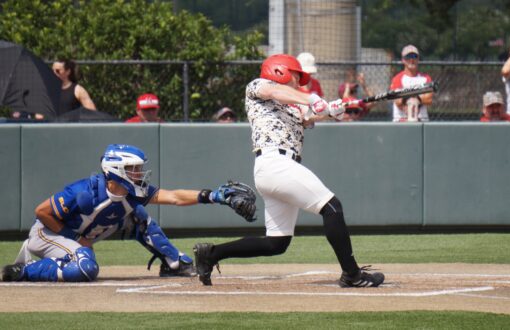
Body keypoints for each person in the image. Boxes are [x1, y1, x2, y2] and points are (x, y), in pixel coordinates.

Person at [192, 54, 385, 288]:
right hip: (275, 163)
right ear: (279, 71)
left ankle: (210, 254)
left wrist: (333, 109)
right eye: (296, 76)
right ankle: (352, 274)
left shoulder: (294, 106)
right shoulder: (258, 87)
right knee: (332, 207)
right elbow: (276, 92)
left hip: (279, 169)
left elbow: (309, 117)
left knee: (277, 243)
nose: (299, 82)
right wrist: (313, 98)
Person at [1, 144, 254, 282]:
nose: (138, 173)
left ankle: (173, 263)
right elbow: (42, 212)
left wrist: (213, 196)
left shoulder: (133, 193)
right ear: (115, 170)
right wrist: (74, 238)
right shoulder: (85, 192)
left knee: (139, 216)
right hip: (46, 236)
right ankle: (24, 270)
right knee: (86, 269)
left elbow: (174, 196)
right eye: (133, 169)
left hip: (85, 234)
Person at [390, 45, 433, 122]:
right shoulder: (397, 78)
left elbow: (429, 99)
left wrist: (407, 96)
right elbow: (397, 100)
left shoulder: (426, 78)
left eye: (414, 56)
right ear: (403, 60)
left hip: (421, 121)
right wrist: (418, 95)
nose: (411, 59)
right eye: (408, 57)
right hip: (401, 121)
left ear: (418, 59)